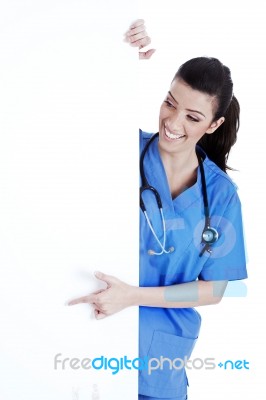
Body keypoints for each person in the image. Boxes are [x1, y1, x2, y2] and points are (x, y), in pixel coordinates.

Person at [68, 20, 248, 400]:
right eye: (170, 102)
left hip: (160, 366)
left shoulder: (220, 195)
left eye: (193, 117)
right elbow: (69, 114)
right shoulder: (121, 148)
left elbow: (215, 289)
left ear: (214, 125)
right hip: (85, 341)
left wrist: (133, 295)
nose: (172, 122)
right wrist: (112, 55)